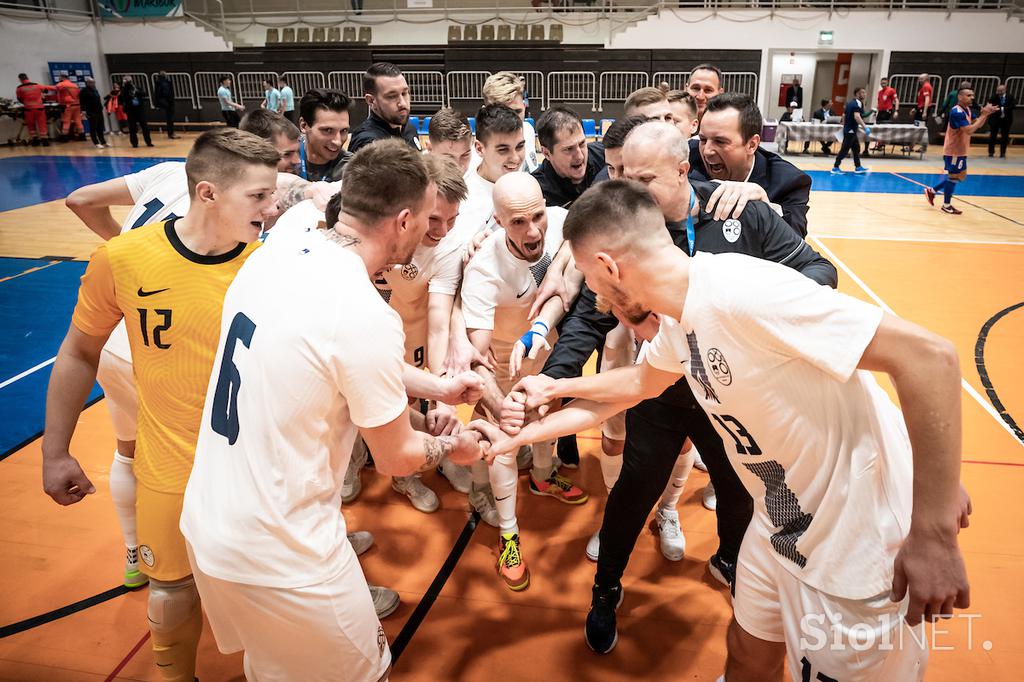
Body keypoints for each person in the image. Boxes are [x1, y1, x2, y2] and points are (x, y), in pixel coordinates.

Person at [499, 177, 970, 682]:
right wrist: (543, 403)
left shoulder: (745, 294)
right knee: (747, 652)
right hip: (781, 525)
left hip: (853, 545)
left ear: (611, 267)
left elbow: (930, 357)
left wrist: (934, 531)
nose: (596, 297)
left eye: (592, 283)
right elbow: (638, 382)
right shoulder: (680, 317)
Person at [179, 140, 488, 681]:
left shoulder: (274, 255)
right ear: (405, 219)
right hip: (284, 550)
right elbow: (396, 457)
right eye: (425, 222)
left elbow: (333, 361)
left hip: (209, 525)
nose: (430, 235)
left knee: (272, 670)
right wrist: (454, 445)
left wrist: (438, 389)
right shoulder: (362, 311)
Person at [527, 121, 837, 654]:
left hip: (730, 399)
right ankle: (605, 588)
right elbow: (593, 315)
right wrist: (552, 378)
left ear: (681, 169)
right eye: (621, 172)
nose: (627, 186)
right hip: (662, 391)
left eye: (642, 176)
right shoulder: (627, 227)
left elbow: (820, 271)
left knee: (740, 494)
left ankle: (733, 569)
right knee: (633, 491)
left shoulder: (740, 212)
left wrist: (746, 308)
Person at [43, 128, 281, 682]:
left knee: (265, 589)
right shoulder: (123, 259)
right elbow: (78, 353)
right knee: (171, 592)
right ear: (208, 194)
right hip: (169, 466)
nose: (270, 209)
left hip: (255, 469)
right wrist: (56, 452)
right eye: (258, 196)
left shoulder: (271, 267)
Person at [460, 172, 586, 591]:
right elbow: (477, 357)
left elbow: (576, 231)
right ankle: (509, 534)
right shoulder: (484, 269)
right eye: (518, 222)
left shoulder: (559, 220)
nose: (533, 231)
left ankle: (544, 475)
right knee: (506, 444)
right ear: (497, 220)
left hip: (547, 351)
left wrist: (564, 252)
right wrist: (500, 406)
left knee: (547, 419)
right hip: (501, 366)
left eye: (537, 216)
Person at [689, 93, 812, 237]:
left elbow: (796, 240)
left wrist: (765, 208)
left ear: (752, 144)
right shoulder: (685, 157)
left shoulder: (788, 181)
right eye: (703, 140)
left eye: (720, 141)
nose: (707, 151)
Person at [925, 87, 998, 215]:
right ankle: (946, 205)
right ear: (960, 97)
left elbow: (978, 124)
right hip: (953, 150)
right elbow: (969, 130)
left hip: (961, 149)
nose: (972, 98)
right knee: (954, 177)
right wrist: (984, 114)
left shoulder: (967, 110)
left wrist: (985, 114)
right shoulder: (956, 112)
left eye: (973, 95)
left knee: (961, 176)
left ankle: (932, 190)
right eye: (969, 95)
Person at [531, 105, 606, 209]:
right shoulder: (536, 191)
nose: (580, 156)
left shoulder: (605, 157)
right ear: (546, 153)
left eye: (582, 144)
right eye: (569, 149)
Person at [348, 62, 420, 153]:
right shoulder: (369, 143)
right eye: (392, 96)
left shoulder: (409, 128)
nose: (402, 103)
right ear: (371, 100)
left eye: (404, 93)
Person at [482, 71, 540, 172]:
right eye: (504, 114)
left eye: (517, 112)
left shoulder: (528, 130)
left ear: (524, 106)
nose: (513, 121)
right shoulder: (475, 159)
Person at [297, 88, 353, 181]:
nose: (338, 142)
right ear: (304, 125)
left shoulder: (352, 170)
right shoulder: (284, 160)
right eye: (328, 130)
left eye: (343, 131)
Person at [831, 86, 869, 175]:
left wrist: (844, 125)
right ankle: (835, 167)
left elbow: (844, 115)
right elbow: (857, 116)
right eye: (862, 92)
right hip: (850, 130)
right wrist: (865, 127)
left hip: (850, 129)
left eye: (864, 92)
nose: (864, 94)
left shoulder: (851, 103)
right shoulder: (857, 103)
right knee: (844, 150)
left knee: (856, 148)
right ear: (857, 94)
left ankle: (858, 167)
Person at [425, 106, 473, 173]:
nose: (458, 168)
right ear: (429, 148)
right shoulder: (417, 179)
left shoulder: (482, 169)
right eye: (449, 158)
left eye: (465, 155)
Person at [16, 73, 55, 146]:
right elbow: (46, 90)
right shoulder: (37, 85)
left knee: (31, 125)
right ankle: (45, 141)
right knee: (42, 124)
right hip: (39, 108)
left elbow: (19, 99)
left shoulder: (19, 88)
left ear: (20, 79)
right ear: (27, 78)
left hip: (28, 109)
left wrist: (26, 102)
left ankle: (35, 141)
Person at [119, 76, 153, 148]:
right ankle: (134, 143)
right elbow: (122, 98)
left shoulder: (136, 87)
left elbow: (144, 94)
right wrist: (128, 92)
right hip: (130, 110)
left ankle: (148, 142)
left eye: (129, 80)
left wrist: (137, 92)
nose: (128, 82)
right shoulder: (123, 89)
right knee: (132, 127)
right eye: (126, 81)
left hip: (140, 109)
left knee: (145, 126)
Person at [987, 83, 1015, 158]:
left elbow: (1013, 106)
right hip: (995, 119)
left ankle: (1003, 153)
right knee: (993, 136)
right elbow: (990, 105)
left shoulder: (1010, 97)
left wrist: (1002, 109)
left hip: (1006, 120)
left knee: (1005, 137)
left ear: (1005, 90)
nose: (999, 92)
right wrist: (997, 109)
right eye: (998, 90)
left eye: (1001, 90)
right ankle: (991, 152)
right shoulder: (994, 96)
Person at [55, 74, 85, 142]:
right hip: (77, 105)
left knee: (66, 122)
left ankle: (64, 137)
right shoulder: (75, 85)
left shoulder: (61, 84)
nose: (58, 79)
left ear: (63, 77)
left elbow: (55, 88)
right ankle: (82, 136)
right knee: (78, 121)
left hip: (67, 105)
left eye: (59, 77)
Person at [80, 77, 107, 149]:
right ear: (87, 83)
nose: (93, 84)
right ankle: (96, 143)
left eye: (94, 82)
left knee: (100, 127)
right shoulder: (84, 91)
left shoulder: (95, 90)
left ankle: (103, 142)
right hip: (91, 111)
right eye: (91, 82)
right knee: (93, 128)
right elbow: (82, 102)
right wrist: (84, 111)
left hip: (98, 111)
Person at [153, 71, 178, 140]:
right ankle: (171, 134)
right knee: (170, 119)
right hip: (167, 103)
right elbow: (164, 94)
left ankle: (171, 133)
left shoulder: (162, 82)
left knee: (170, 119)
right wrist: (167, 103)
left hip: (168, 102)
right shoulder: (162, 83)